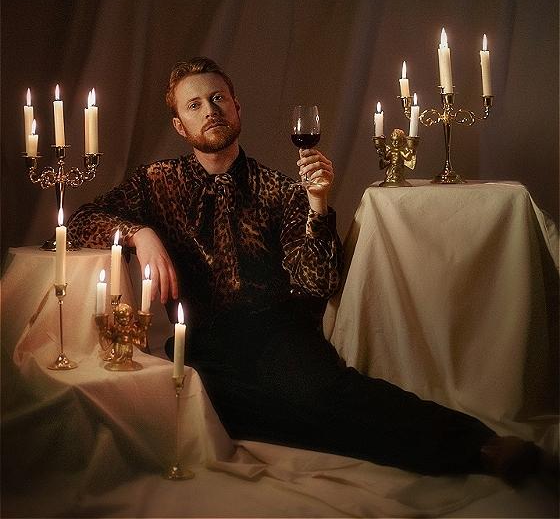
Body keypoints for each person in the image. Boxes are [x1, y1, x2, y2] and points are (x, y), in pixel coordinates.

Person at [68, 56, 543, 483]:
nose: (209, 110)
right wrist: (140, 234)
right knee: (202, 404)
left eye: (217, 98)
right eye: (194, 105)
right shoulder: (157, 182)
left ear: (237, 107)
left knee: (325, 398)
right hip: (200, 344)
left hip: (277, 336)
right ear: (179, 124)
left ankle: (479, 445)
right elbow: (80, 222)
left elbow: (317, 282)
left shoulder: (281, 190)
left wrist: (317, 205)